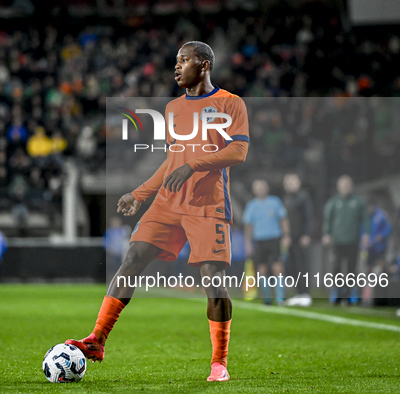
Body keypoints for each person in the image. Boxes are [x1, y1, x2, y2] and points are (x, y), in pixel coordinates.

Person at [66, 41, 249, 382]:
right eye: (175, 61)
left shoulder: (230, 103)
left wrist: (194, 165)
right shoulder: (173, 109)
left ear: (204, 65)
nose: (176, 67)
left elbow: (238, 151)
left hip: (207, 203)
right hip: (168, 201)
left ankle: (219, 363)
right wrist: (140, 193)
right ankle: (97, 340)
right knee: (132, 258)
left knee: (213, 281)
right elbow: (171, 160)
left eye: (184, 60)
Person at [322, 175, 370, 305]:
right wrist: (326, 234)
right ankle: (337, 292)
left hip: (353, 241)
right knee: (336, 267)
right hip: (337, 241)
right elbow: (328, 220)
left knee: (351, 268)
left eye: (347, 185)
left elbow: (365, 219)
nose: (345, 187)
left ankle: (349, 294)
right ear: (338, 187)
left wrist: (366, 234)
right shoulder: (333, 202)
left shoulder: (359, 202)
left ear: (351, 186)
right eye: (343, 185)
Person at [243, 180, 290, 305]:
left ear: (267, 188)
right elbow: (248, 225)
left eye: (262, 187)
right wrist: (248, 243)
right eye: (257, 188)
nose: (260, 190)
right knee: (262, 268)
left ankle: (280, 298)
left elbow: (283, 219)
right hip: (259, 240)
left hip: (274, 238)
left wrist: (286, 236)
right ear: (254, 190)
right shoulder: (251, 205)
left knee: (278, 267)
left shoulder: (275, 202)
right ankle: (267, 297)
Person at [282, 173, 313, 305]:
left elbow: (309, 217)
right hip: (290, 238)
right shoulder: (286, 199)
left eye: (293, 182)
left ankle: (305, 293)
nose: (291, 185)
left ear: (299, 183)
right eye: (288, 182)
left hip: (301, 237)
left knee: (302, 265)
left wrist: (306, 234)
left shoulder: (303, 197)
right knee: (293, 266)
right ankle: (298, 293)